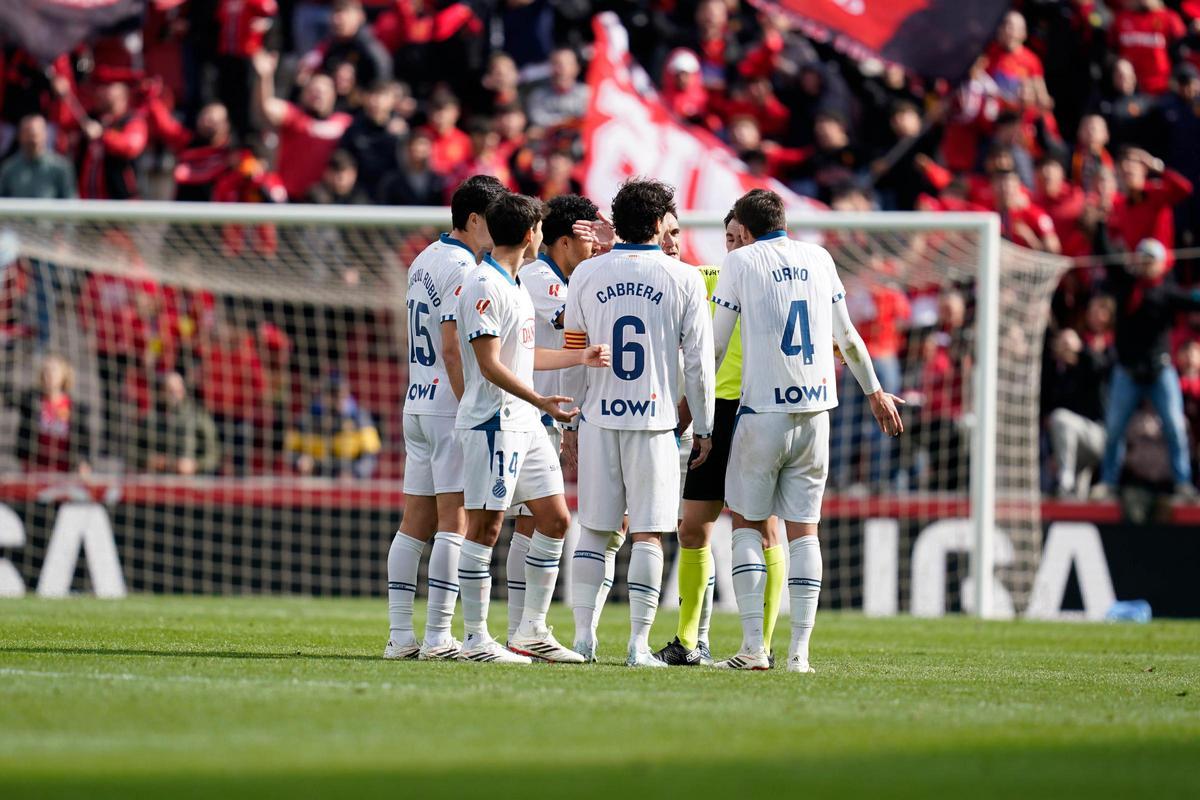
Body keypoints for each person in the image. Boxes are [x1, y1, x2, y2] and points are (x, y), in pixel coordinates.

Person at [709, 189, 903, 673]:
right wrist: (875, 392)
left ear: (747, 231)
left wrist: (693, 409)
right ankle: (800, 655)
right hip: (818, 416)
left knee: (748, 526)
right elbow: (849, 337)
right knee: (804, 533)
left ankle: (754, 649)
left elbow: (713, 346)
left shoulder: (741, 262)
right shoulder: (819, 257)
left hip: (761, 415)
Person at [562, 178, 716, 667]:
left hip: (598, 417)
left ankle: (584, 638)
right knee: (649, 533)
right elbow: (699, 364)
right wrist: (706, 427)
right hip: (654, 420)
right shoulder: (684, 276)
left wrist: (569, 420)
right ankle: (637, 645)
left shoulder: (586, 273)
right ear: (656, 224)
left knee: (594, 529)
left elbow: (573, 353)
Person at [454, 192, 609, 664]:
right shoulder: (483, 284)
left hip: (525, 421)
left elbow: (526, 355)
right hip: (492, 422)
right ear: (528, 235)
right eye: (539, 230)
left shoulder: (517, 283)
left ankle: (531, 630)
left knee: (556, 519)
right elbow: (489, 365)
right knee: (485, 526)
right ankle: (477, 638)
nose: (542, 237)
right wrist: (539, 398)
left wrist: (576, 356)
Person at [385, 174, 506, 662]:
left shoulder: (423, 259)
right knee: (453, 522)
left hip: (416, 398)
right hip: (446, 405)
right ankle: (438, 636)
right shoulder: (462, 266)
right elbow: (453, 346)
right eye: (492, 221)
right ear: (474, 219)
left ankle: (400, 636)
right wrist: (468, 405)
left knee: (413, 523)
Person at [506, 194, 600, 644]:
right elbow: (580, 326)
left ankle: (520, 630)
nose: (595, 248)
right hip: (531, 410)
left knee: (531, 521)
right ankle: (521, 629)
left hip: (550, 414)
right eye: (589, 239)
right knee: (531, 520)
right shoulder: (540, 275)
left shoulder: (561, 274)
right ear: (564, 241)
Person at [1093, 238, 1200, 499]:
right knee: (1115, 429)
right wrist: (1101, 227)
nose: (1146, 264)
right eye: (1143, 257)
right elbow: (1105, 250)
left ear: (1162, 264)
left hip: (1160, 372)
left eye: (1152, 259)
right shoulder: (1126, 283)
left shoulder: (1167, 291)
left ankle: (1183, 482)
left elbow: (1194, 299)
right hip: (1127, 372)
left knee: (1174, 426)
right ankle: (1108, 481)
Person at [251, 49, 353, 200]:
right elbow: (266, 107)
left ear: (333, 96)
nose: (318, 94)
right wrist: (265, 77)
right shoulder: (295, 117)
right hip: (289, 199)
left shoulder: (344, 123)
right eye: (313, 90)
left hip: (325, 200)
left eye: (324, 91)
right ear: (304, 93)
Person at [1043, 328, 1111, 498]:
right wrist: (1053, 453)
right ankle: (1068, 486)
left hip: (1097, 435)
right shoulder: (1057, 375)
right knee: (1078, 499)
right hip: (1074, 448)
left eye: (1069, 345)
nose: (1066, 349)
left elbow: (1100, 366)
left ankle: (1065, 482)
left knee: (1061, 418)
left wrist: (1080, 349)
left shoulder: (1089, 366)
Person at [3, 353, 90, 474]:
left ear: (64, 374)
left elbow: (84, 442)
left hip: (64, 471)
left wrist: (84, 463)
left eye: (53, 370)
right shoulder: (31, 400)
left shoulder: (76, 409)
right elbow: (8, 395)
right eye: (45, 370)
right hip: (34, 470)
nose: (48, 374)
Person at [143, 371, 221, 476]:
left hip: (189, 481)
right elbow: (132, 451)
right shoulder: (150, 419)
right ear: (161, 391)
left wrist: (195, 465)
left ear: (183, 391)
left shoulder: (198, 416)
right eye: (168, 390)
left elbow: (215, 454)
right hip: (156, 480)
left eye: (176, 390)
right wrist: (149, 460)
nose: (173, 395)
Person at [0, 115, 76, 199]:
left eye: (35, 135)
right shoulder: (9, 168)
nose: (33, 140)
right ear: (20, 136)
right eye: (28, 135)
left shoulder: (61, 168)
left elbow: (70, 202)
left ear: (45, 135)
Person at [524, 47, 589, 129]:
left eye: (567, 64)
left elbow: (590, 120)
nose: (561, 70)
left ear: (577, 68)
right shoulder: (537, 97)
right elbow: (538, 121)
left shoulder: (589, 95)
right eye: (556, 64)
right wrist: (569, 122)